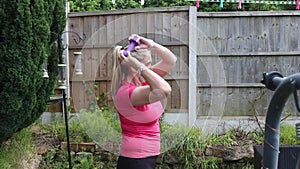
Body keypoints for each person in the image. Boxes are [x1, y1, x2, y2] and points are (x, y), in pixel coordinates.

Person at [111, 34, 177, 169]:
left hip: (144, 158)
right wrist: (139, 66)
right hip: (136, 160)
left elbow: (171, 60)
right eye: (147, 65)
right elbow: (165, 90)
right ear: (132, 66)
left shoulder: (143, 83)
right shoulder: (127, 93)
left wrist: (151, 45)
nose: (150, 68)